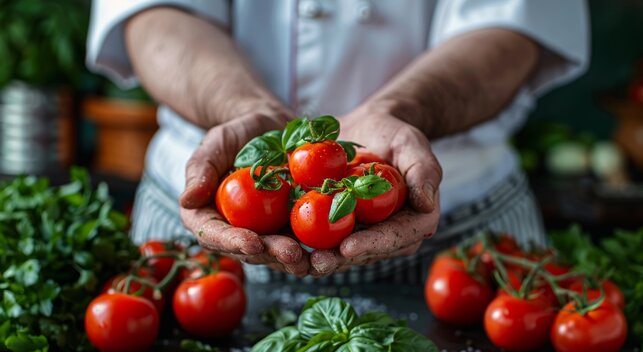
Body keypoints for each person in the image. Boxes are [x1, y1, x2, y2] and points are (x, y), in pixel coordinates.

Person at [87, 0, 589, 285]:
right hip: (200, 239)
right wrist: (243, 110)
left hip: (463, 226)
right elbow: (153, 15)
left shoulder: (348, 181)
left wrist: (397, 113)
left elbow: (513, 23)